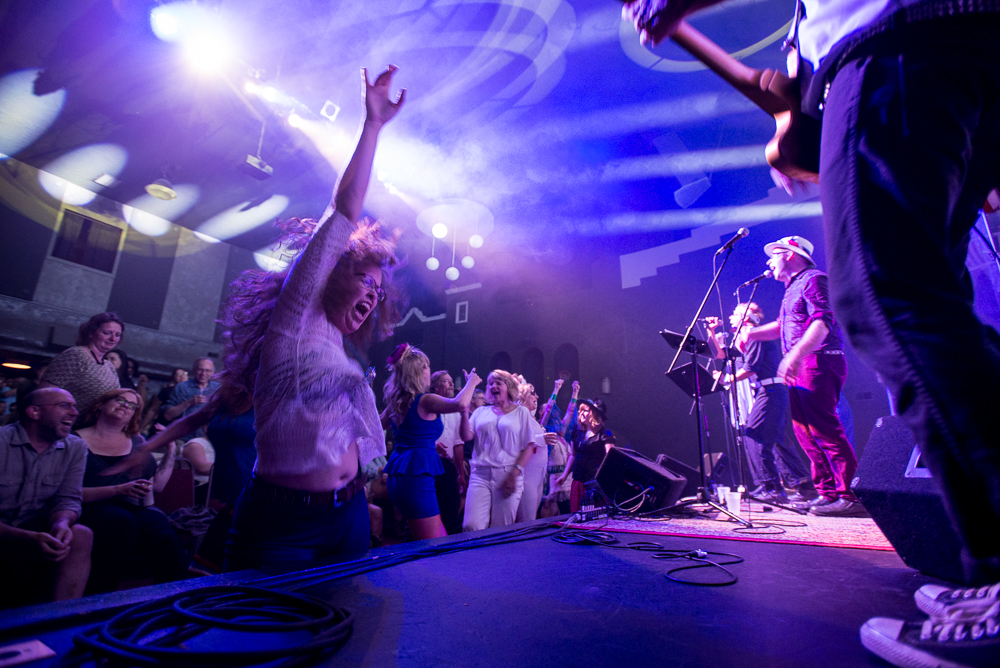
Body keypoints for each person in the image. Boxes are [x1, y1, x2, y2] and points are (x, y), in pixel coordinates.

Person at [625, 1, 1000, 661]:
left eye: (776, 257)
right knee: (936, 301)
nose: (771, 264)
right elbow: (790, 79)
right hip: (949, 44)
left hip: (898, 41)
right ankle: (987, 571)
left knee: (890, 299)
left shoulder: (805, 283)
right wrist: (808, 104)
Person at [223, 65, 405, 572]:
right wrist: (373, 125)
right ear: (333, 273)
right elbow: (344, 207)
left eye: (379, 292)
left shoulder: (337, 345)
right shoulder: (298, 315)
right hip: (281, 527)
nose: (373, 296)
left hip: (345, 518)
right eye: (365, 282)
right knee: (255, 648)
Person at [735, 237, 862, 517]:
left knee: (824, 429)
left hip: (818, 360)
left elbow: (822, 322)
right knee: (805, 433)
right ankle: (828, 492)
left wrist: (794, 356)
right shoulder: (793, 287)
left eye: (772, 256)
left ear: (789, 254)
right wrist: (750, 333)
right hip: (804, 363)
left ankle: (849, 495)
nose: (768, 263)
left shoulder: (815, 279)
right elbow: (783, 326)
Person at [75, 388, 187, 593]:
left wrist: (171, 449)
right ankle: (97, 600)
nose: (125, 406)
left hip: (128, 505)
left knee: (162, 530)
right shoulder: (75, 440)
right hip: (88, 505)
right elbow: (66, 493)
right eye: (120, 400)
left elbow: (157, 486)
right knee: (120, 521)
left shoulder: (136, 442)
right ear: (102, 404)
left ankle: (171, 601)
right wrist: (117, 489)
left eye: (132, 405)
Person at [705, 303, 812, 504]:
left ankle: (771, 487)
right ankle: (803, 485)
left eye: (734, 313)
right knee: (776, 438)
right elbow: (720, 354)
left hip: (770, 389)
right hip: (771, 389)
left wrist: (726, 378)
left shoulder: (753, 334)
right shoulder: (745, 339)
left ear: (746, 317)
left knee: (754, 435)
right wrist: (712, 330)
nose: (729, 317)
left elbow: (751, 368)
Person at [0, 388, 92, 606]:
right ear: (34, 412)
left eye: (75, 407)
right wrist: (29, 537)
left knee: (80, 534)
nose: (74, 413)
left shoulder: (75, 447)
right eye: (64, 405)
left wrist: (61, 522)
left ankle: (60, 619)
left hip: (32, 525)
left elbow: (68, 498)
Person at [382, 345, 480, 540]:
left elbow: (376, 427)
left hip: (399, 474)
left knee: (416, 539)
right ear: (417, 371)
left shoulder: (396, 401)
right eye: (427, 366)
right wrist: (472, 383)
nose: (429, 370)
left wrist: (423, 445)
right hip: (416, 478)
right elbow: (460, 403)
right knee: (434, 544)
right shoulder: (424, 400)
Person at [463, 370, 539, 532]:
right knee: (471, 526)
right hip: (480, 476)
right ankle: (474, 558)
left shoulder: (521, 412)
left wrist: (513, 474)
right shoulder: (480, 412)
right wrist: (464, 407)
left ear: (509, 387)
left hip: (507, 475)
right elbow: (465, 435)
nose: (493, 386)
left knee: (501, 530)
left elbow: (529, 446)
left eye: (498, 383)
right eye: (490, 383)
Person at [39, 312, 122, 416]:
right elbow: (44, 393)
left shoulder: (109, 366)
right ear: (91, 332)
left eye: (117, 335)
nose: (113, 339)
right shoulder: (76, 355)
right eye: (107, 333)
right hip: (62, 423)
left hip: (89, 428)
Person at [554, 397, 615, 512]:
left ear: (595, 414)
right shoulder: (577, 431)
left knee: (594, 517)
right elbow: (573, 455)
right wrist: (565, 475)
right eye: (580, 410)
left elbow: (610, 459)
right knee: (578, 516)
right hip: (578, 482)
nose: (581, 413)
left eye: (585, 410)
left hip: (594, 484)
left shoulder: (604, 434)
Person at [429, 369, 469, 534]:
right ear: (435, 388)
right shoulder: (428, 408)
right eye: (446, 381)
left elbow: (458, 445)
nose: (451, 383)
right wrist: (432, 446)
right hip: (429, 464)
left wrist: (460, 473)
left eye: (452, 380)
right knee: (430, 508)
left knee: (451, 510)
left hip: (447, 467)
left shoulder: (454, 411)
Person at [513, 375, 548, 523]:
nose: (537, 396)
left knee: (532, 517)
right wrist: (542, 439)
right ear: (523, 397)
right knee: (526, 521)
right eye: (532, 393)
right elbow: (519, 439)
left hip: (538, 476)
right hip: (527, 477)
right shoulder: (519, 415)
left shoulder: (531, 418)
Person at [163, 358, 220, 440]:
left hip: (207, 439)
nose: (203, 373)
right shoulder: (181, 387)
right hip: (182, 437)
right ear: (194, 370)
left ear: (212, 372)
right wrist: (188, 403)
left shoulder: (218, 389)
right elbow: (168, 415)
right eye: (200, 370)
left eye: (207, 371)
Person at [140, 368, 187, 434]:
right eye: (178, 375)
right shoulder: (166, 390)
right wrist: (141, 428)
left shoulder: (194, 393)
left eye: (184, 373)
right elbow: (153, 409)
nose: (182, 376)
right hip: (162, 424)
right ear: (173, 378)